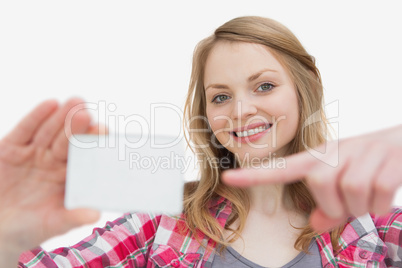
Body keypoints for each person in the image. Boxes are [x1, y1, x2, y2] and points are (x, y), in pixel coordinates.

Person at [1, 16, 401, 267]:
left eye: (264, 86)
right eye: (221, 96)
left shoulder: (374, 224)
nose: (241, 110)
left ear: (305, 88)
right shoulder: (161, 223)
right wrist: (9, 230)